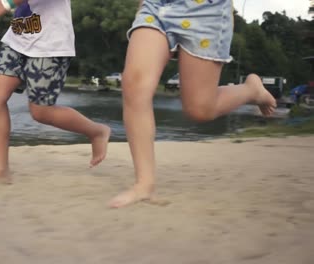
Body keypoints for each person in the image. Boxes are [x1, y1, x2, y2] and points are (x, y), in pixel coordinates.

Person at [109, 0, 277, 208]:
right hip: (156, 5)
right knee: (134, 84)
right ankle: (144, 183)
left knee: (199, 110)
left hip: (206, 9)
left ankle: (251, 90)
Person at [0, 0, 110, 186]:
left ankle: (96, 132)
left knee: (41, 111)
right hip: (20, 35)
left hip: (49, 44)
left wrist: (5, 3)